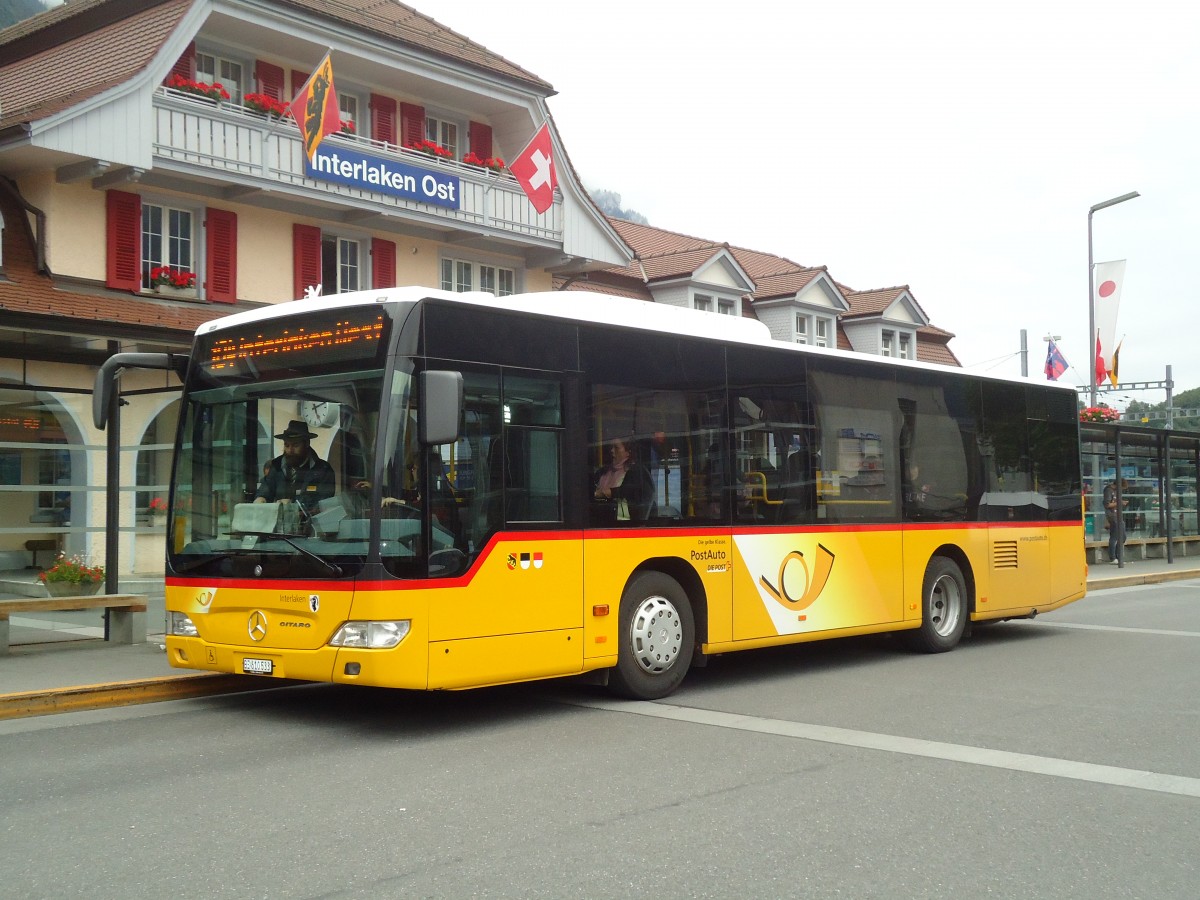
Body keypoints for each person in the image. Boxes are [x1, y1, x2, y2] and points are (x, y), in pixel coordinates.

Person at [254, 420, 336, 515]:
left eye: (295, 445)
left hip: (309, 523)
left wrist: (293, 507)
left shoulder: (323, 470)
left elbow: (323, 505)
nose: (290, 450)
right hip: (279, 523)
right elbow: (266, 488)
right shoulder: (276, 466)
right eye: (286, 445)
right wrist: (261, 498)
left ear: (307, 443)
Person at [593, 437, 653, 522]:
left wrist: (609, 492)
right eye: (611, 447)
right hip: (600, 521)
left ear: (628, 452)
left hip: (625, 523)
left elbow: (633, 491)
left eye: (616, 448)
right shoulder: (603, 471)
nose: (612, 451)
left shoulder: (636, 471)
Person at [1103, 477, 1129, 564]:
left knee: (1123, 536)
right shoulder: (1108, 490)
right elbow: (1107, 504)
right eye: (1122, 488)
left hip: (1117, 515)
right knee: (1115, 536)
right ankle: (1113, 557)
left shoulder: (1115, 491)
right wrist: (1119, 503)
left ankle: (1118, 556)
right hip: (1112, 515)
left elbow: (1115, 501)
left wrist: (1121, 502)